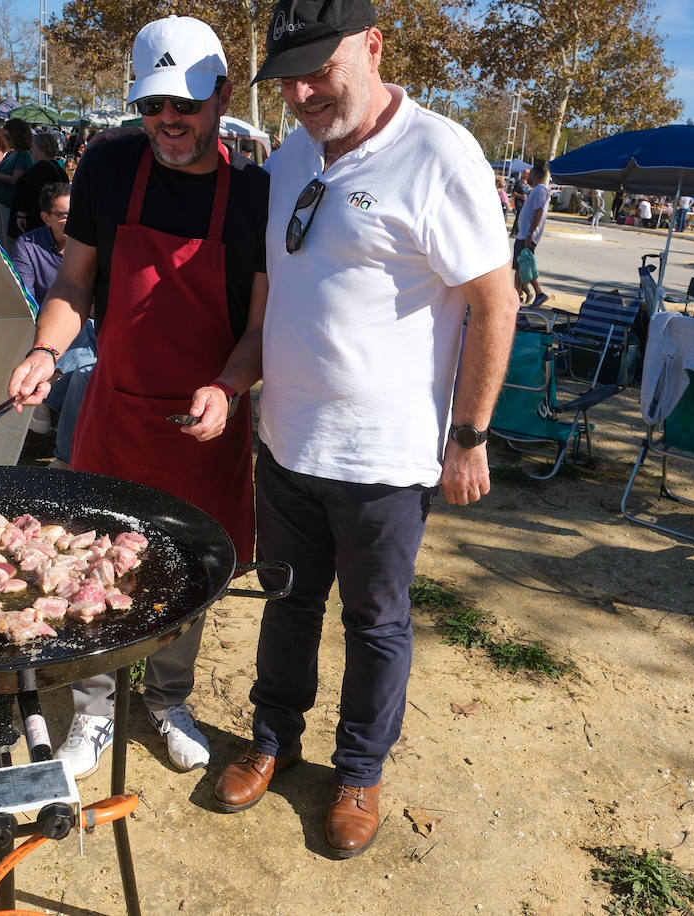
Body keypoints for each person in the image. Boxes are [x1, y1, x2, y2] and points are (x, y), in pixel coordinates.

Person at [212, 0, 518, 860]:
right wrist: (242, 382)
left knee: (376, 623)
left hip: (384, 459)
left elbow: (496, 303)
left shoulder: (439, 152)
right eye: (290, 76)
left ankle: (358, 773)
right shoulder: (286, 159)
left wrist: (470, 435)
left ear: (375, 46)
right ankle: (273, 738)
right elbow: (274, 289)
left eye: (322, 68)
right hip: (286, 443)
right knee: (286, 603)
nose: (304, 91)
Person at [5, 15, 269, 779]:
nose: (167, 122)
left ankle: (167, 697)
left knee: (185, 570)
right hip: (116, 410)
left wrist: (228, 386)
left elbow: (257, 327)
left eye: (184, 105)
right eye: (153, 106)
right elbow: (74, 282)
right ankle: (93, 708)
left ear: (221, 95)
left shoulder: (252, 193)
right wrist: (44, 349)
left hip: (205, 421)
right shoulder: (111, 168)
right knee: (95, 561)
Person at [9, 182, 99, 453]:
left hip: (91, 331)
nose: (71, 221)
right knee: (85, 367)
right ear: (46, 218)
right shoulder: (28, 245)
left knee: (86, 368)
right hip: (52, 334)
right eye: (62, 215)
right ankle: (64, 451)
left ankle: (47, 413)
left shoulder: (93, 243)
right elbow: (25, 301)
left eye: (76, 212)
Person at [0, 117, 33, 250]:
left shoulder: (23, 155)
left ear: (17, 136)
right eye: (5, 136)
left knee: (8, 244)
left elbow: (16, 180)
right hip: (0, 202)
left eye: (8, 136)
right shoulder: (11, 154)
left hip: (9, 205)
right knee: (0, 240)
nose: (6, 139)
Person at [12, 132, 69, 237]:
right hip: (51, 220)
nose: (31, 150)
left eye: (34, 147)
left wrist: (21, 215)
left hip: (35, 223)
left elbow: (27, 192)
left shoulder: (39, 170)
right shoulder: (59, 170)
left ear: (43, 150)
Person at [514, 164, 549, 307]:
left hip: (527, 236)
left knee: (523, 265)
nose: (528, 176)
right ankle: (517, 295)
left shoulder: (540, 190)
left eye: (531, 173)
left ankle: (537, 293)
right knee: (520, 266)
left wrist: (530, 233)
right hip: (523, 234)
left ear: (537, 174)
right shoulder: (536, 190)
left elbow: (538, 212)